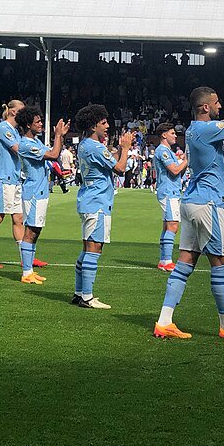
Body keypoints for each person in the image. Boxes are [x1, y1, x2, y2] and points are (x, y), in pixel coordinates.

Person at [154, 69, 224, 339]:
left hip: (191, 202)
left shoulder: (196, 129)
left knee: (185, 262)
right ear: (205, 106)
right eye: (216, 103)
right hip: (208, 203)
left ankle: (164, 321)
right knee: (221, 263)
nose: (220, 105)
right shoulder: (208, 129)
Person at [72, 104, 134, 309]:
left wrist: (117, 150)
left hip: (90, 200)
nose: (108, 126)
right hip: (97, 202)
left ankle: (80, 292)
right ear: (92, 126)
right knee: (94, 248)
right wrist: (125, 148)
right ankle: (87, 297)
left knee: (88, 246)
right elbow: (121, 169)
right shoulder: (95, 147)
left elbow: (109, 163)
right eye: (103, 123)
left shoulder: (85, 145)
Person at [0, 100, 47, 269]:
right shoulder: (3, 128)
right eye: (21, 111)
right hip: (4, 178)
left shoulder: (16, 131)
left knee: (18, 219)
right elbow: (19, 149)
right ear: (12, 112)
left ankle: (26, 257)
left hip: (15, 179)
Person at [16, 107, 70, 284]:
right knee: (30, 231)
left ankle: (29, 269)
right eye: (37, 121)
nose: (41, 124)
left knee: (36, 230)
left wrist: (60, 137)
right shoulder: (25, 144)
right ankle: (26, 272)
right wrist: (58, 135)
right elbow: (54, 155)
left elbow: (54, 154)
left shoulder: (36, 142)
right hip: (33, 193)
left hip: (40, 191)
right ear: (27, 124)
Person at [154, 122, 188, 271]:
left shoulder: (168, 151)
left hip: (170, 191)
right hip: (169, 192)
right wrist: (186, 161)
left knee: (168, 225)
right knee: (173, 226)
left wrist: (183, 162)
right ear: (164, 134)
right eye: (173, 133)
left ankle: (164, 260)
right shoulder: (163, 151)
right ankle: (167, 261)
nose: (175, 136)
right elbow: (174, 170)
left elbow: (177, 171)